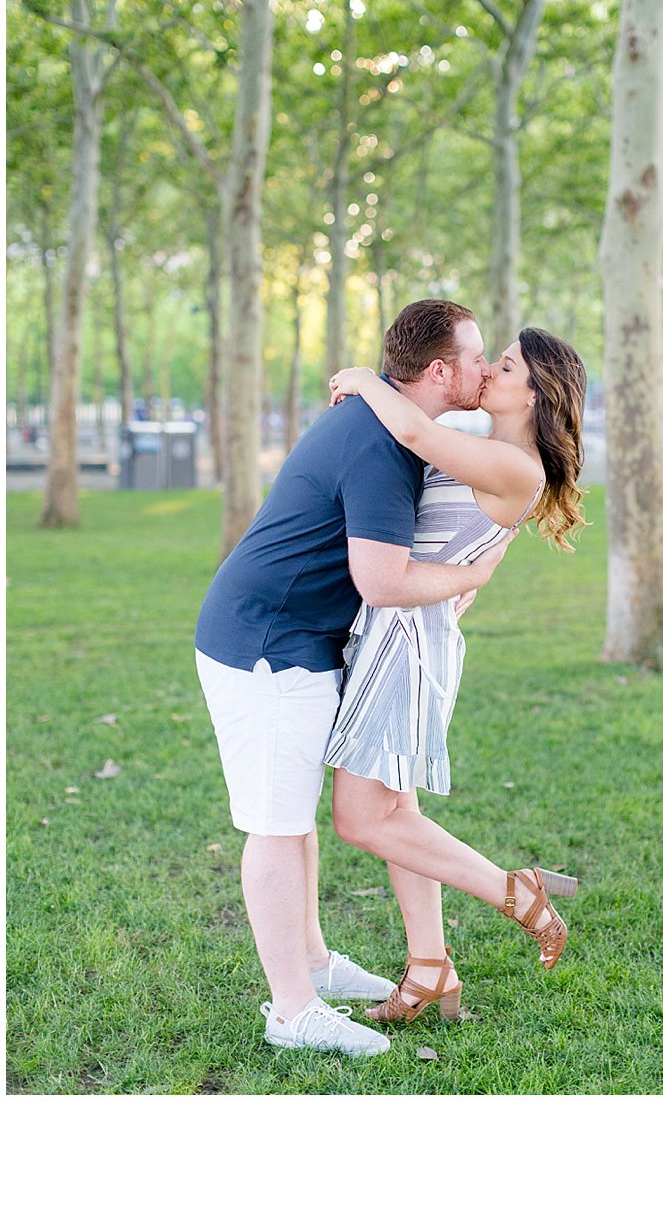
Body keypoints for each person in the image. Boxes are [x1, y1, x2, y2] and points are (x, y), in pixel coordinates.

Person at [195, 298, 510, 1057]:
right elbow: (382, 580)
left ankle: (312, 961)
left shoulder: (396, 426)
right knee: (274, 826)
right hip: (264, 643)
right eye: (474, 357)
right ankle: (292, 1009)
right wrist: (461, 577)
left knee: (294, 818)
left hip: (298, 641)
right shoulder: (377, 443)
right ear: (438, 371)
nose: (484, 367)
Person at [323, 325, 587, 1024]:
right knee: (397, 814)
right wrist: (466, 578)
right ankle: (429, 969)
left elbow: (413, 433)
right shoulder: (491, 447)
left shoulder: (518, 467)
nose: (489, 370)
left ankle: (518, 892)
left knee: (359, 818)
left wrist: (363, 375)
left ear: (535, 394)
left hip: (407, 642)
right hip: (402, 626)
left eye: (504, 366)